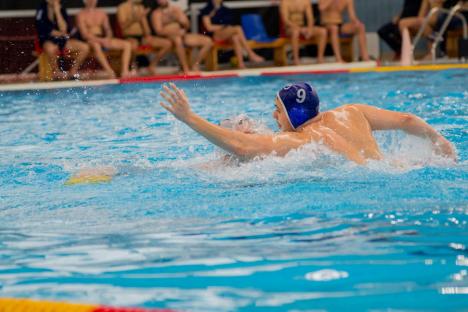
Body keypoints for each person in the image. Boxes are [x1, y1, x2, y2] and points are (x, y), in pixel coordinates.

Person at [159, 82, 456, 165]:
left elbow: (242, 146)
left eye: (278, 110)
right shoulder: (354, 111)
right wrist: (440, 142)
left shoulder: (305, 140)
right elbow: (406, 120)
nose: (274, 117)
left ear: (296, 114)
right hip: (392, 170)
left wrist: (189, 118)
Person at [152, 0, 213, 74]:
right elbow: (159, 31)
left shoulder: (176, 9)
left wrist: (180, 19)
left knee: (208, 41)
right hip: (168, 38)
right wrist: (175, 32)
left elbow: (187, 25)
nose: (162, 1)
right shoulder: (157, 13)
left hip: (182, 35)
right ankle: (185, 69)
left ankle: (195, 65)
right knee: (178, 40)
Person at [35, 0, 90, 80]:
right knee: (51, 48)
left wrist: (57, 12)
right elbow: (41, 29)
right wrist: (59, 33)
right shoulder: (41, 9)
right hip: (47, 40)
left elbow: (64, 29)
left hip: (62, 40)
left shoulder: (61, 9)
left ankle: (72, 72)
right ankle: (56, 73)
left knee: (85, 47)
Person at [201, 0, 264, 69]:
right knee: (238, 28)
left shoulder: (225, 9)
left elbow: (229, 24)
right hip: (215, 35)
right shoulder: (207, 10)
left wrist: (226, 27)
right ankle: (250, 53)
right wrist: (224, 26)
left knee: (235, 37)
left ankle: (241, 64)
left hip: (226, 34)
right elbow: (209, 27)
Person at [77, 0, 133, 78]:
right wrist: (101, 40)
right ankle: (109, 71)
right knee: (96, 45)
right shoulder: (81, 15)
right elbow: (84, 34)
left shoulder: (102, 13)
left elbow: (108, 29)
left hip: (102, 38)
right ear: (85, 1)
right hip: (90, 39)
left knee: (127, 44)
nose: (92, 1)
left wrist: (108, 38)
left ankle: (125, 71)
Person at [117, 0, 172, 75]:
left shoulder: (140, 7)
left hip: (142, 37)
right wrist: (135, 18)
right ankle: (132, 67)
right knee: (133, 45)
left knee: (167, 43)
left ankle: (152, 65)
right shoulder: (122, 7)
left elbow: (146, 29)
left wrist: (147, 33)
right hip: (130, 37)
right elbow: (122, 26)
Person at [279, 0, 327, 65]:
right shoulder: (285, 2)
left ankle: (320, 58)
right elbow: (286, 20)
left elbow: (310, 18)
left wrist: (310, 29)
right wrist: (300, 29)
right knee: (295, 32)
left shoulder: (305, 1)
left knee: (322, 31)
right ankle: (296, 59)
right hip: (289, 28)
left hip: (302, 27)